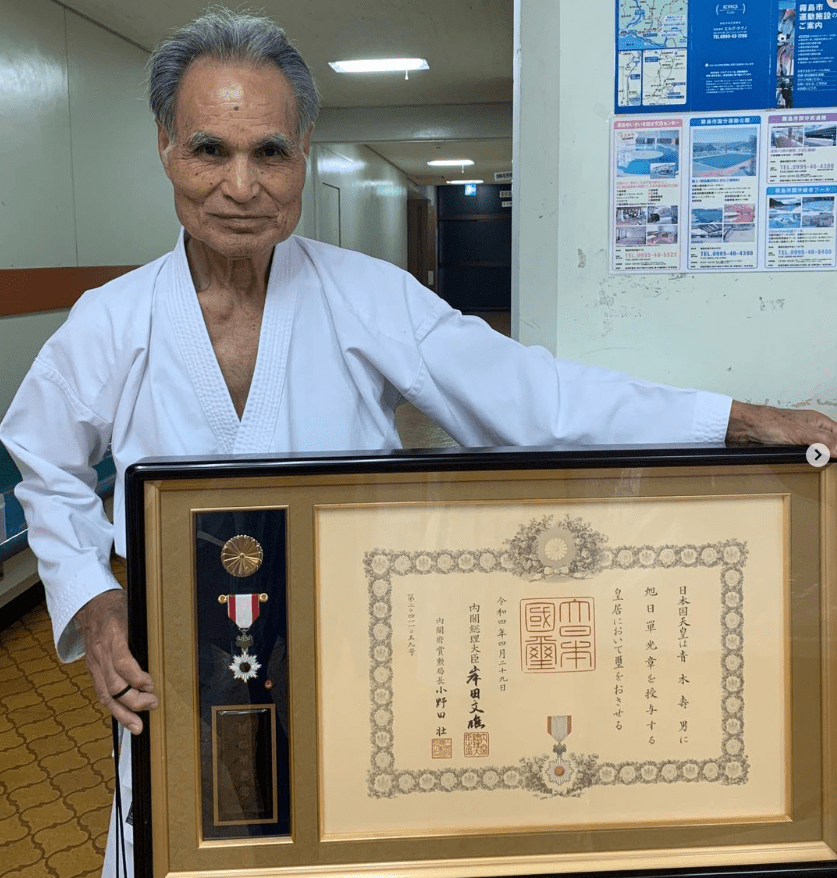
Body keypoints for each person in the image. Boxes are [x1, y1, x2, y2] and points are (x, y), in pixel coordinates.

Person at [1, 8, 835, 877]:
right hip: (176, 653)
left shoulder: (368, 297)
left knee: (343, 837)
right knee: (182, 831)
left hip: (351, 638)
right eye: (210, 150)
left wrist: (736, 420)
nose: (241, 186)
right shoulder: (112, 320)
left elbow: (532, 398)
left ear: (304, 150)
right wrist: (93, 598)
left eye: (270, 153)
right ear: (166, 147)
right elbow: (45, 459)